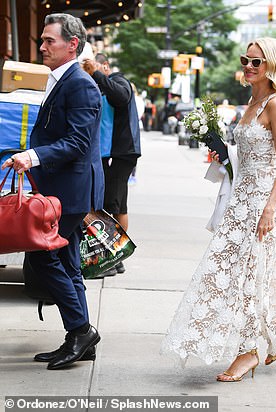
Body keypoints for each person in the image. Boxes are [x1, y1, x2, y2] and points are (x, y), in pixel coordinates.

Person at [161, 37, 276, 382]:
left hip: (262, 203)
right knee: (238, 273)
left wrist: (271, 209)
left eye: (256, 62)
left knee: (249, 276)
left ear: (272, 64)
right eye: (246, 60)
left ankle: (247, 352)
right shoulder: (251, 102)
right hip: (239, 199)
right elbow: (250, 154)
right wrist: (223, 156)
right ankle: (267, 338)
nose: (248, 66)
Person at [1, 13, 104, 370]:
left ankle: (79, 331)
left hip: (70, 192)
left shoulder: (80, 84)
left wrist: (32, 156)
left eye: (49, 41)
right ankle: (81, 338)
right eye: (42, 40)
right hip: (63, 189)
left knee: (45, 258)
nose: (42, 46)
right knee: (67, 263)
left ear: (72, 44)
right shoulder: (62, 79)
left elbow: (78, 141)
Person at [83, 53, 141, 276]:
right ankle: (115, 257)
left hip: (121, 153)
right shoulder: (105, 86)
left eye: (97, 70)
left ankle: (114, 256)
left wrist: (96, 73)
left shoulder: (119, 81)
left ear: (105, 66)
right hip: (115, 153)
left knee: (114, 204)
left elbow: (121, 96)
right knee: (115, 202)